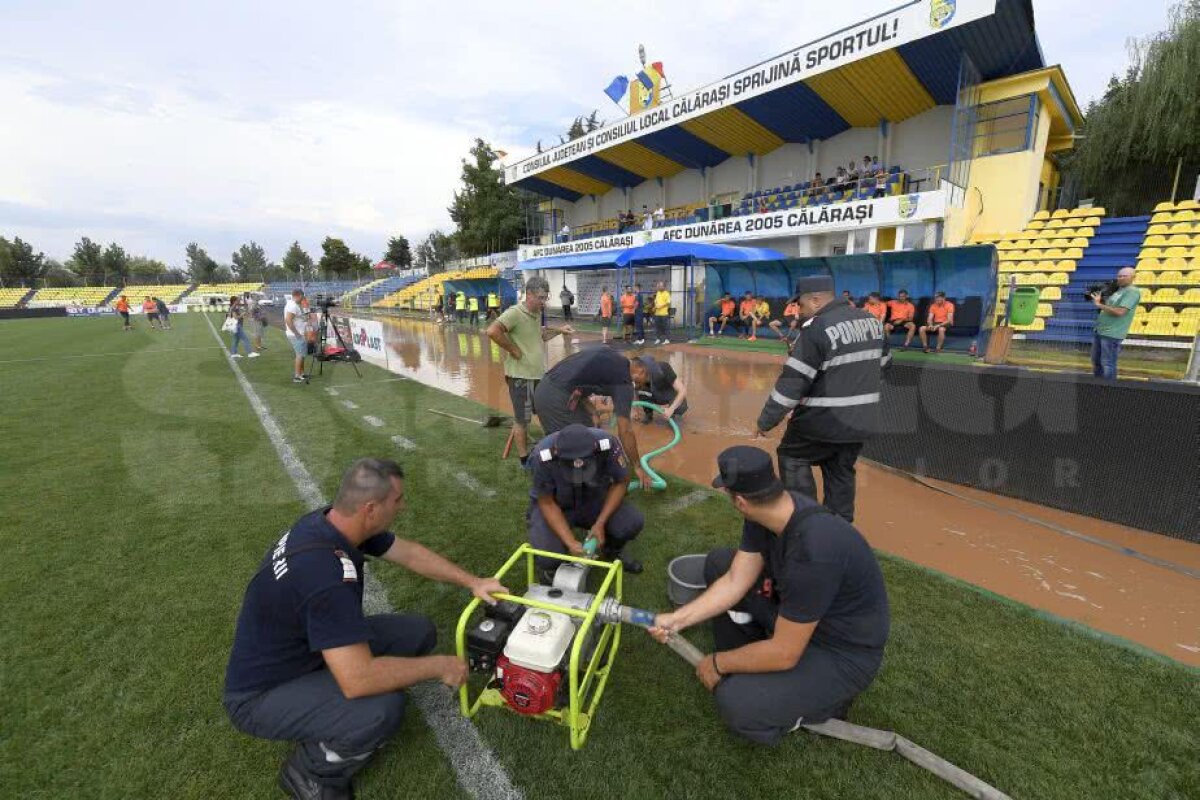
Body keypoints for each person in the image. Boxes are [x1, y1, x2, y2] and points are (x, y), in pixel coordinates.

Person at [223, 458, 507, 800]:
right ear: (370, 508)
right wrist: (439, 666)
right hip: (262, 694)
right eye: (397, 500)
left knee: (418, 632)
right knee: (381, 709)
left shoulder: (332, 524)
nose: (402, 507)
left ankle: (321, 701)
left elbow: (409, 554)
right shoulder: (324, 575)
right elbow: (358, 680)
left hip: (306, 651)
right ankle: (310, 772)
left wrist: (473, 582)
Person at [649, 446, 889, 745]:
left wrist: (718, 663)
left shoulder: (814, 552)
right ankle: (752, 665)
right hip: (797, 618)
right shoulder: (768, 512)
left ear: (740, 501)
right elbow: (736, 579)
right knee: (720, 563)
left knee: (737, 703)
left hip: (840, 651)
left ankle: (827, 701)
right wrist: (678, 619)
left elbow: (785, 653)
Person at [755, 275, 886, 521]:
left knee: (792, 456)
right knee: (840, 470)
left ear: (816, 300)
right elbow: (884, 365)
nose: (799, 310)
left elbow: (792, 383)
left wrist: (765, 421)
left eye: (800, 304)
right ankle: (839, 527)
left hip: (822, 421)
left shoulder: (817, 328)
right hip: (860, 421)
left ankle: (806, 520)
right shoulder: (873, 322)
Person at [526, 424, 645, 578]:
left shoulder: (607, 444)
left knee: (631, 522)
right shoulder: (542, 455)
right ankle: (551, 570)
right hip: (558, 505)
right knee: (548, 556)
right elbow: (546, 502)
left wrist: (600, 522)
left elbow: (621, 482)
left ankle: (611, 550)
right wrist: (570, 541)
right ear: (557, 453)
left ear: (594, 450)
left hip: (593, 499)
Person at [486, 276, 573, 466]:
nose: (543, 302)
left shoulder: (536, 314)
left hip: (537, 376)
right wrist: (513, 349)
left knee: (545, 410)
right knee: (522, 420)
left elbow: (542, 335)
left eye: (545, 298)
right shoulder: (515, 313)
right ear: (529, 294)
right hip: (521, 378)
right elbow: (492, 331)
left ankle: (550, 449)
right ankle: (525, 459)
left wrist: (560, 331)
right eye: (540, 298)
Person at [532, 346, 648, 487]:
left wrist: (593, 412)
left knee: (587, 437)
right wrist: (637, 466)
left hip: (548, 388)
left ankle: (580, 475)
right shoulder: (624, 381)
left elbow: (578, 381)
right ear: (641, 371)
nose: (642, 387)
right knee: (574, 445)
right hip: (554, 398)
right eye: (646, 381)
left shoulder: (611, 355)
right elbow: (625, 430)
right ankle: (551, 474)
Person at [1090, 266, 1141, 380]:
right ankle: (1098, 384)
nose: (1121, 278)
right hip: (1101, 330)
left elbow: (1120, 312)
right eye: (1119, 276)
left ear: (1133, 277)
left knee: (1108, 363)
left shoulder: (1132, 292)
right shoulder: (1118, 290)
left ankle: (1109, 386)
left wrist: (1099, 305)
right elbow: (1110, 307)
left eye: (1124, 276)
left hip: (1112, 333)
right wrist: (1100, 300)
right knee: (1096, 361)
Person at [629, 355, 687, 422]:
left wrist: (671, 409)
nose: (634, 382)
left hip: (666, 392)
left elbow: (682, 390)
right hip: (652, 392)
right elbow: (633, 390)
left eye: (636, 380)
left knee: (681, 405)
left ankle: (675, 414)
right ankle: (648, 414)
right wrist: (634, 409)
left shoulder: (663, 368)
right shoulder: (634, 374)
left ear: (642, 371)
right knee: (641, 390)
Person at [284, 289, 309, 384]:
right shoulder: (293, 306)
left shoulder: (293, 304)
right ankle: (297, 376)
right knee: (299, 355)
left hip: (298, 333)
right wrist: (297, 333)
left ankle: (301, 373)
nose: (303, 299)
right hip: (296, 334)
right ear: (299, 295)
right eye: (302, 297)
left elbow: (295, 318)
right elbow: (288, 320)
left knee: (301, 354)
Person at [652, 280, 671, 344]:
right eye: (659, 286)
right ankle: (658, 339)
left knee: (665, 327)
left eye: (661, 286)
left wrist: (660, 306)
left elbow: (668, 303)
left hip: (664, 314)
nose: (659, 287)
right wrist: (655, 307)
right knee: (657, 327)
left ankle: (667, 339)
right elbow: (656, 302)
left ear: (664, 287)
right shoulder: (658, 293)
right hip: (657, 313)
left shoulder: (667, 293)